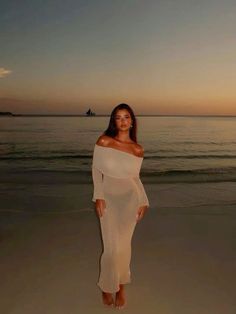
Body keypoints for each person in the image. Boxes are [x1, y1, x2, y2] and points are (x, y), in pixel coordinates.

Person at [91, 103, 149, 309]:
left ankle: (121, 287)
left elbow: (136, 178)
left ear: (132, 120)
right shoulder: (104, 141)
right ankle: (107, 287)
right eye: (118, 117)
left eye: (126, 117)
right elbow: (96, 170)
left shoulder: (137, 149)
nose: (123, 121)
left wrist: (143, 200)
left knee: (124, 246)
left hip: (130, 200)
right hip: (108, 198)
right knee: (110, 248)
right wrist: (98, 196)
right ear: (113, 121)